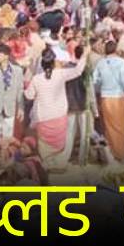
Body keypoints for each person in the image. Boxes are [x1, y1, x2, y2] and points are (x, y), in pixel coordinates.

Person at [23, 44, 90, 172]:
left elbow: (29, 96)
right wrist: (85, 55)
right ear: (54, 63)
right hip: (59, 115)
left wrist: (26, 81)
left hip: (43, 117)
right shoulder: (60, 74)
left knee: (45, 146)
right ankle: (58, 166)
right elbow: (77, 71)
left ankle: (47, 166)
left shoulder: (37, 79)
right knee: (58, 143)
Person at [93, 40, 124, 162]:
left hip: (105, 97)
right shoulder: (121, 62)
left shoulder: (100, 63)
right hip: (119, 97)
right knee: (121, 127)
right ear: (115, 50)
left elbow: (95, 81)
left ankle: (110, 152)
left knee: (108, 127)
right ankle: (120, 153)